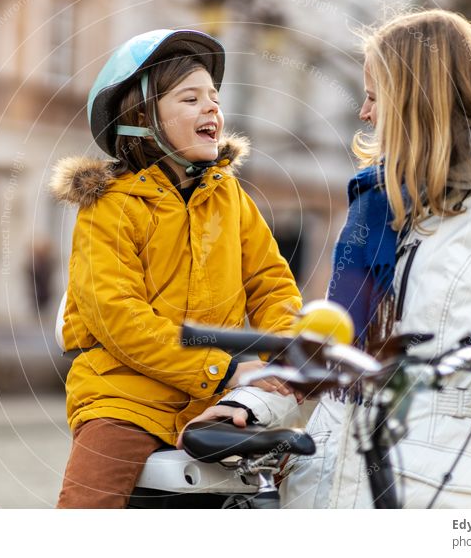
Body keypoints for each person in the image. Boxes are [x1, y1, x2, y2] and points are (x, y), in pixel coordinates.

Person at [181, 9, 471, 509]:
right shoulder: (379, 206)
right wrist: (249, 405)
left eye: (374, 96)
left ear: (418, 101)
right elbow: (331, 350)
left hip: (436, 492)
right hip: (322, 487)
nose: (364, 113)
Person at [49, 29, 302, 508]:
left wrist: (286, 354)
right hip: (125, 398)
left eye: (214, 97)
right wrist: (223, 366)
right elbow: (118, 315)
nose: (211, 108)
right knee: (88, 509)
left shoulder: (230, 199)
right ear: (142, 117)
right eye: (191, 98)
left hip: (213, 400)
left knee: (289, 485)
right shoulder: (110, 208)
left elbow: (270, 284)